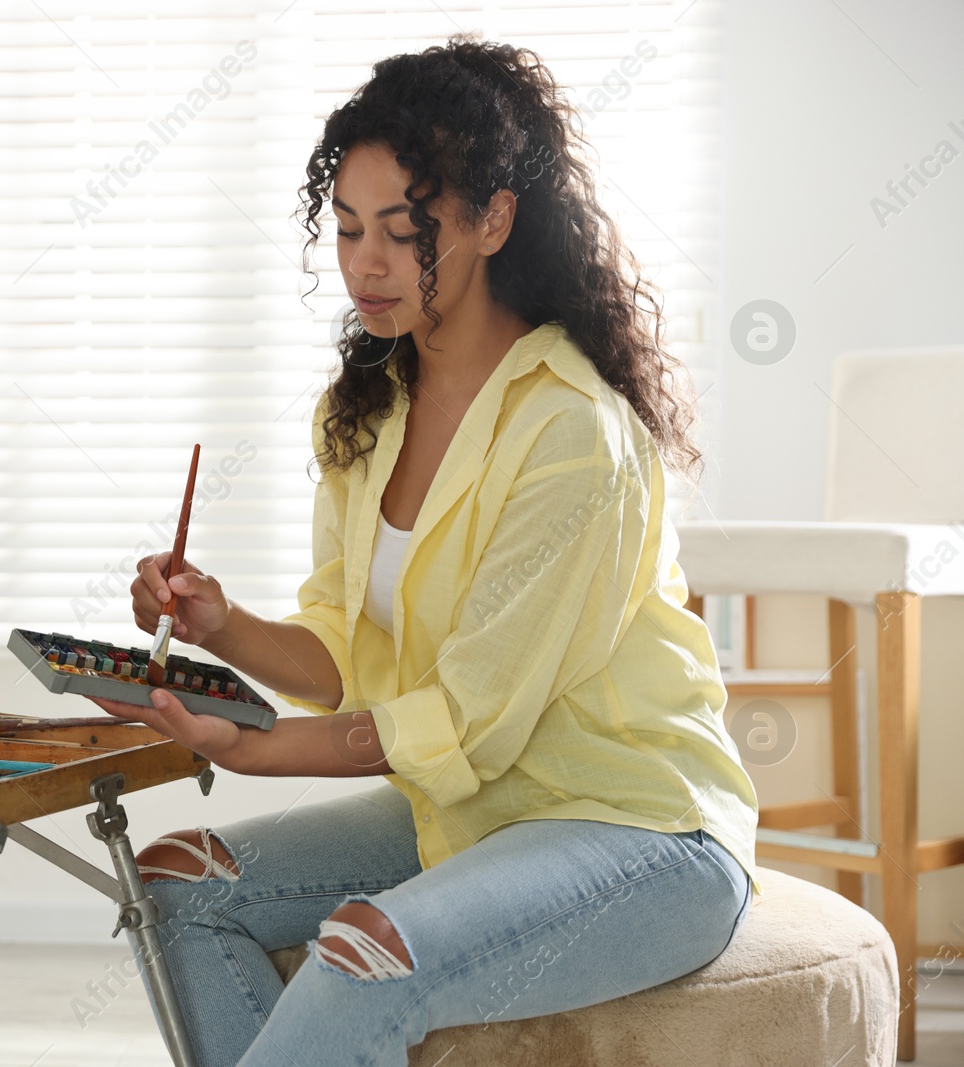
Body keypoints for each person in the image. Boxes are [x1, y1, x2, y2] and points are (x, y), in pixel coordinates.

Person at [82, 34, 759, 1067]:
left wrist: (257, 751)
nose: (366, 262)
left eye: (404, 231)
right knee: (180, 881)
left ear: (494, 219)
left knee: (367, 950)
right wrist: (223, 626)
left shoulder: (575, 433)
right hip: (473, 809)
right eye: (347, 229)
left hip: (640, 830)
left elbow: (465, 722)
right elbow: (344, 651)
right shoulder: (365, 410)